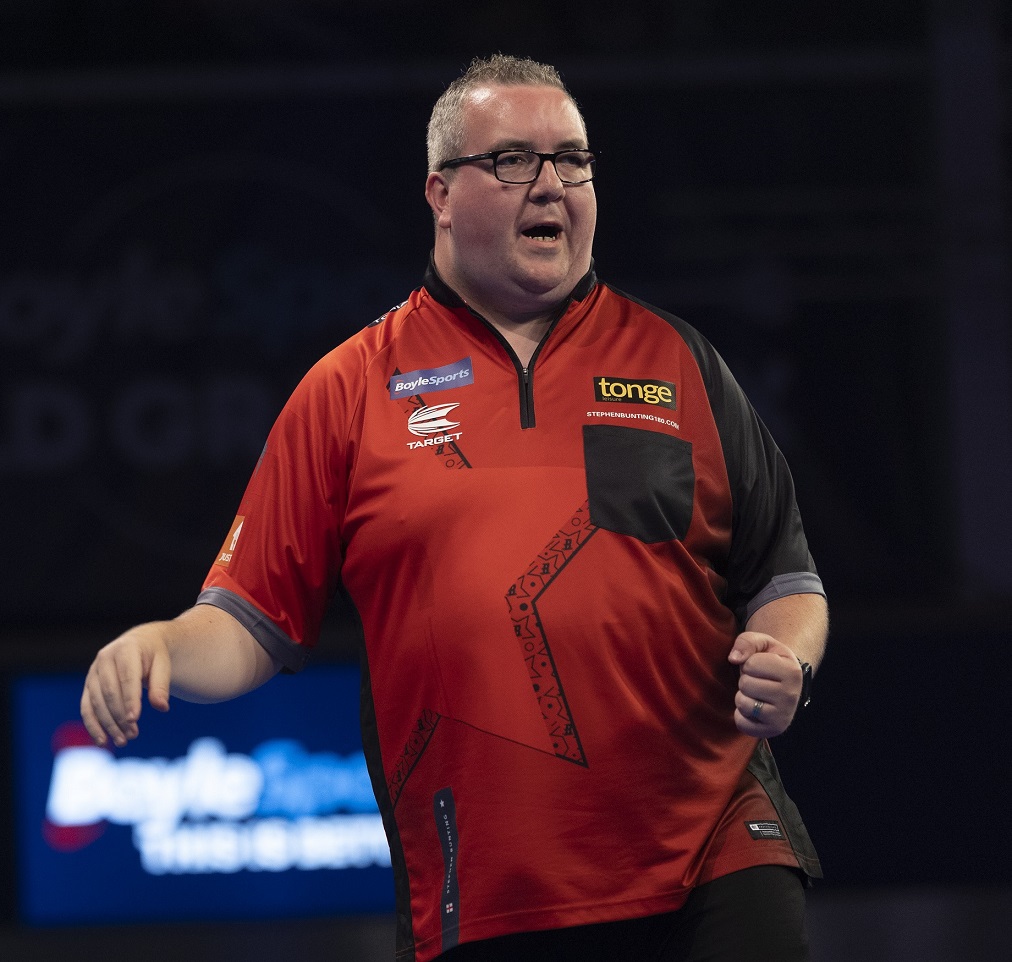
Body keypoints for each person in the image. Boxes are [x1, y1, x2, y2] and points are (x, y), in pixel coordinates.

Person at [81, 54, 828, 962]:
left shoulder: (681, 361)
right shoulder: (349, 390)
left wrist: (788, 656)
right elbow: (250, 621)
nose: (551, 185)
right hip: (492, 892)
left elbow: (786, 579)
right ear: (440, 192)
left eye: (572, 160)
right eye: (514, 160)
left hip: (715, 851)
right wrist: (161, 646)